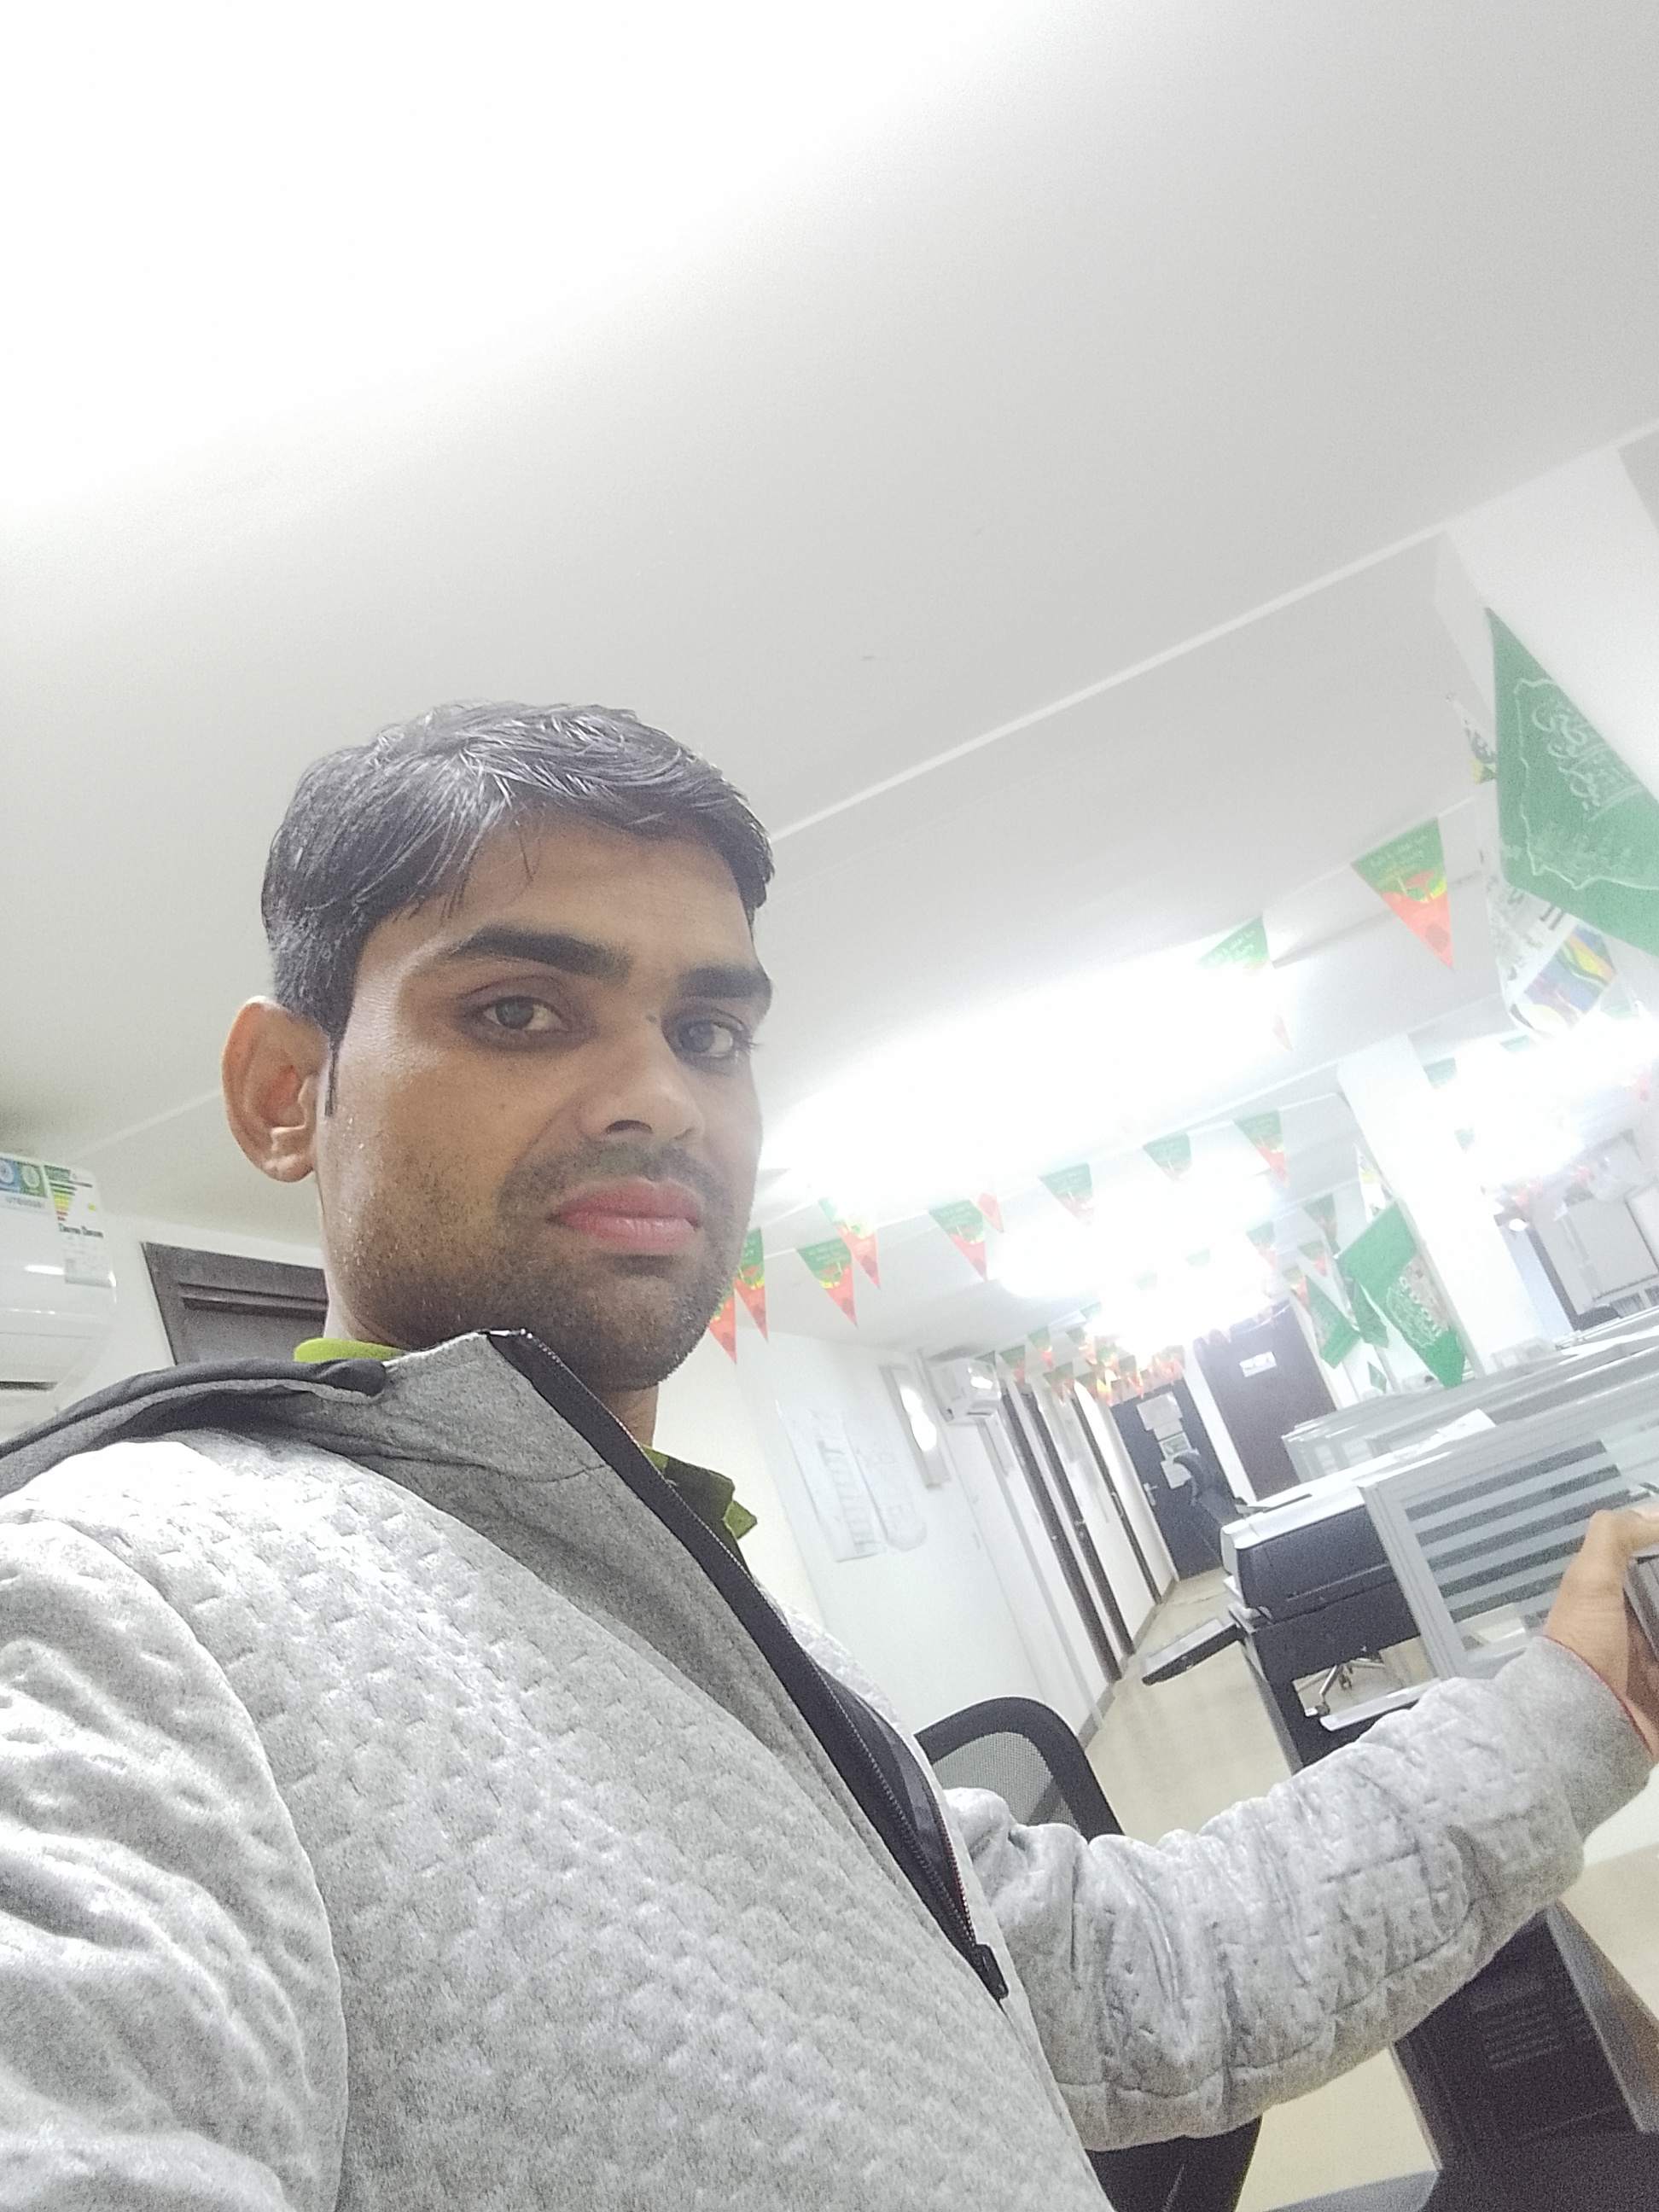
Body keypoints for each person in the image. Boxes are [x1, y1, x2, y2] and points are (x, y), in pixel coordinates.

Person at [2, 701, 1656, 2212]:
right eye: (518, 1010)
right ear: (286, 1094)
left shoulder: (703, 1610)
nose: (658, 1096)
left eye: (709, 1031)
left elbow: (1154, 1988)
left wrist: (1584, 1693)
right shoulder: (117, 1611)